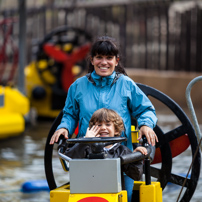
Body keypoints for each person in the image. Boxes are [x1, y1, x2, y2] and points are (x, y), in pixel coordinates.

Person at [49, 35, 158, 201]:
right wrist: (64, 127)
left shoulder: (126, 84)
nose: (104, 62)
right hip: (86, 158)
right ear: (92, 60)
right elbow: (70, 114)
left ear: (116, 61)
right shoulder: (77, 86)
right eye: (99, 57)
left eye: (109, 58)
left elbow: (146, 110)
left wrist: (146, 125)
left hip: (122, 158)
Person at [63, 108, 148, 202]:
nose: (103, 128)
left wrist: (136, 157)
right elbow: (70, 157)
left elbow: (136, 174)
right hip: (87, 195)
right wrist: (86, 140)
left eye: (108, 124)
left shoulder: (122, 150)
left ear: (116, 130)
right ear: (92, 129)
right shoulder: (86, 147)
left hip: (114, 196)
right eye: (99, 125)